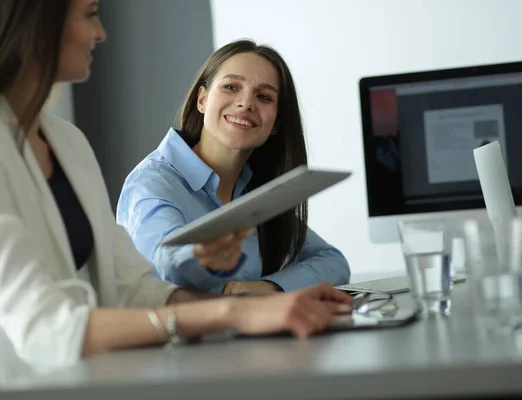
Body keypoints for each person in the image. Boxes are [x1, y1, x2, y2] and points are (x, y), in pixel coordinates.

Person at [0, 0, 353, 368]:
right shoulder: (152, 182)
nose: (101, 33)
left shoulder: (68, 142)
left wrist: (259, 304)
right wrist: (235, 312)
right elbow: (47, 330)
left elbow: (134, 287)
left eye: (264, 97)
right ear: (40, 22)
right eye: (91, 14)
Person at [116, 40, 351, 296]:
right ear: (203, 100)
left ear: (275, 125)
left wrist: (265, 288)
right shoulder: (152, 183)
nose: (246, 103)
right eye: (231, 87)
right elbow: (164, 264)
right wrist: (203, 259)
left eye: (263, 96)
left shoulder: (252, 189)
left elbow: (333, 262)